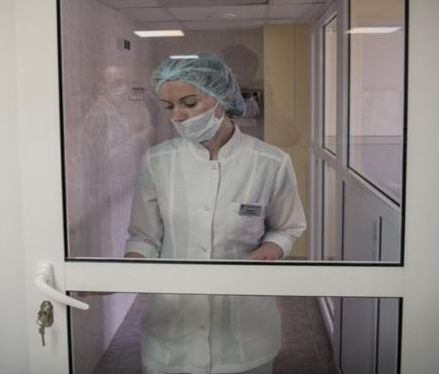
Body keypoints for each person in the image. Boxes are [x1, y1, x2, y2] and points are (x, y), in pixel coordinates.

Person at [124, 52, 306, 374]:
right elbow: (144, 236)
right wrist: (122, 271)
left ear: (221, 98)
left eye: (189, 103)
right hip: (172, 328)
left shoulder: (271, 162)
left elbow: (287, 227)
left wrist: (271, 248)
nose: (177, 116)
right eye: (169, 106)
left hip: (246, 328)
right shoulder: (156, 161)